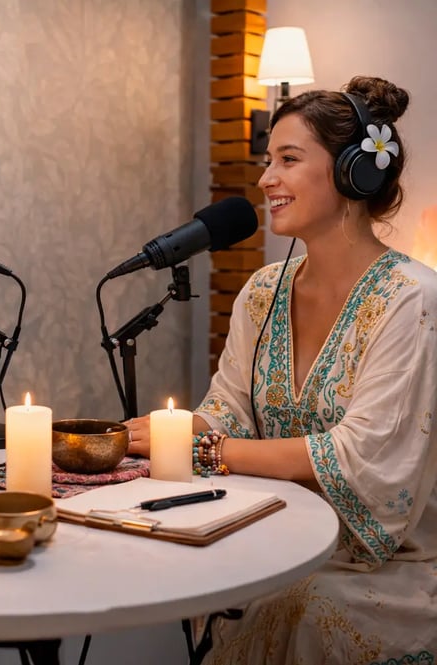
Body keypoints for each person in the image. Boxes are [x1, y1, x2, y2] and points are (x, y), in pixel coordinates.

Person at [126, 75, 437, 664]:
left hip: (389, 568)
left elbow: (358, 456)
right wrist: (173, 433)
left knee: (302, 608)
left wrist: (211, 453)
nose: (267, 179)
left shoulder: (412, 298)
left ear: (355, 173)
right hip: (278, 537)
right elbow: (228, 412)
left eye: (289, 159)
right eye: (269, 160)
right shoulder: (262, 290)